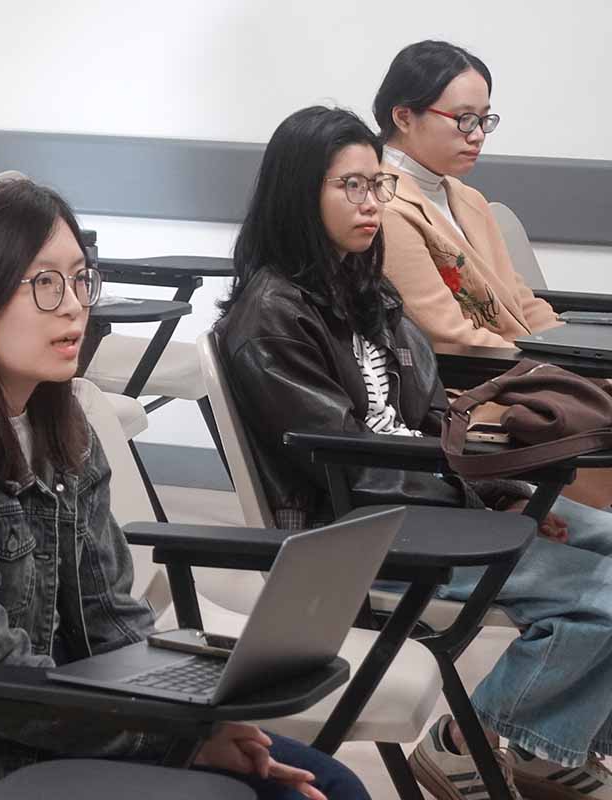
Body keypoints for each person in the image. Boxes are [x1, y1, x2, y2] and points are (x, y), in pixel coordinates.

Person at [0, 176, 369, 800]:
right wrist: (174, 743)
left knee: (330, 784)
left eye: (80, 278)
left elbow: (108, 615)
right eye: (44, 283)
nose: (73, 306)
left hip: (60, 712)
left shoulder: (60, 427)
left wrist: (194, 718)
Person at [216, 105, 612, 800]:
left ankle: (540, 746)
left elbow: (432, 419)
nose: (372, 203)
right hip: (365, 533)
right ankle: (466, 742)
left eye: (377, 184)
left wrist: (502, 491)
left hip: (430, 500)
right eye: (351, 186)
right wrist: (484, 503)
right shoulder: (270, 319)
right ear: (299, 192)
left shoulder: (368, 291)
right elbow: (348, 465)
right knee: (603, 595)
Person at [373, 39, 612, 509]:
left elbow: (522, 304)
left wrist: (579, 359)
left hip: (512, 369)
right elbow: (448, 336)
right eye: (464, 120)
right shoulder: (386, 206)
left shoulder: (466, 198)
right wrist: (565, 375)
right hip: (468, 388)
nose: (478, 134)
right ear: (403, 116)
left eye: (485, 120)